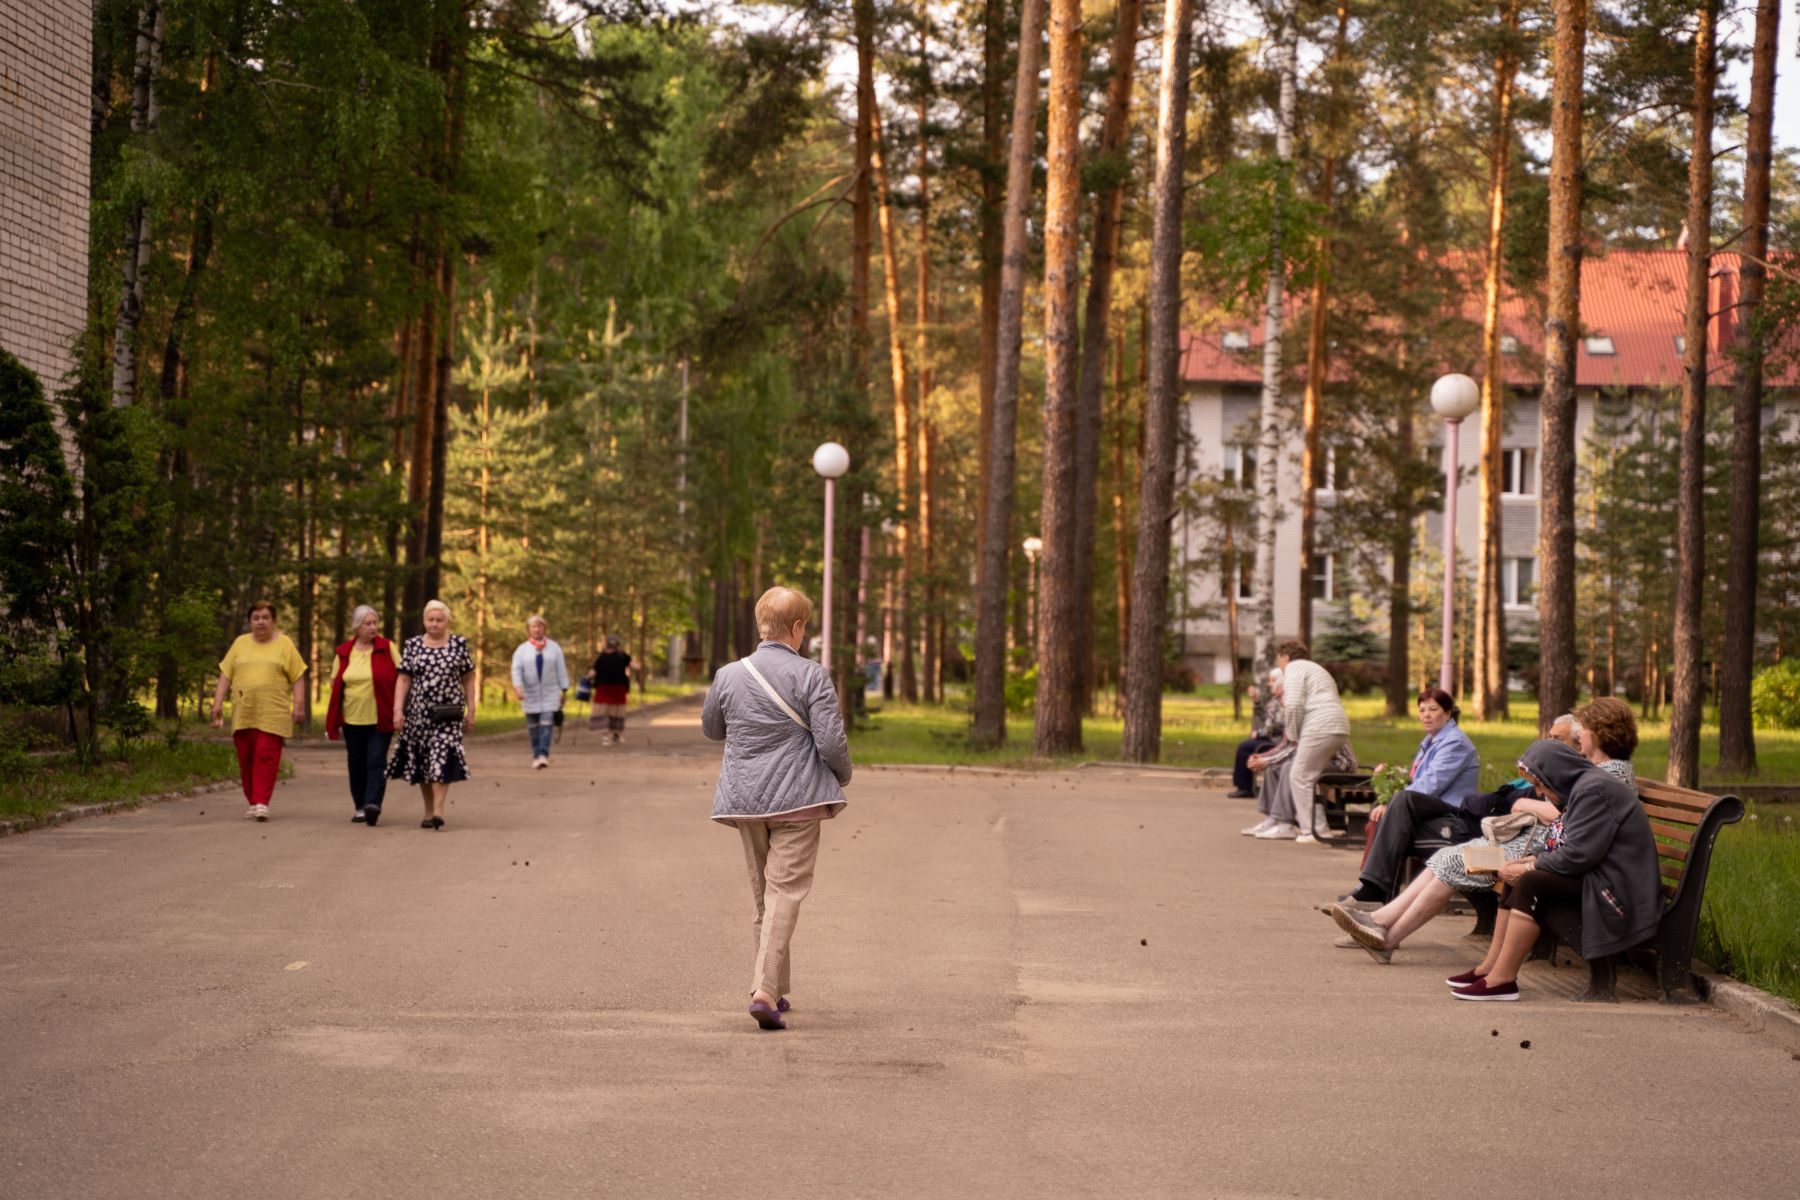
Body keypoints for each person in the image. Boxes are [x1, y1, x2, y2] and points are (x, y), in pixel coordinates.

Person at [1331, 708, 1641, 962]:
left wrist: (1529, 810)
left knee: (1456, 861)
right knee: (1448, 855)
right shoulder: (1599, 770)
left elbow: (1571, 823)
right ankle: (1381, 923)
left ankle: (1385, 935)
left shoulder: (1608, 776)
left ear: (1599, 734)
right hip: (1539, 845)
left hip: (1547, 854)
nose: (1579, 735)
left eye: (1583, 730)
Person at [701, 586, 851, 1032]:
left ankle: (777, 989)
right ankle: (764, 991)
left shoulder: (728, 674)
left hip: (745, 800)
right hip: (799, 800)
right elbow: (830, 743)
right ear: (797, 627)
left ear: (760, 624)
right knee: (785, 891)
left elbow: (712, 728)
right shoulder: (812, 675)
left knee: (765, 894)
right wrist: (841, 776)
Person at [1445, 737, 1660, 1001]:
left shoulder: (1593, 791)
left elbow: (1577, 856)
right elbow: (1564, 845)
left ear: (1556, 775)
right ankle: (1491, 968)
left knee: (1530, 882)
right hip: (1599, 875)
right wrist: (1529, 860)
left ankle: (1502, 980)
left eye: (1539, 785)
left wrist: (1530, 866)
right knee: (1518, 877)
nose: (1538, 793)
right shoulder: (1580, 788)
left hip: (1619, 892)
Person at [1338, 686, 1480, 901]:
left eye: (1433, 709)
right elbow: (1420, 776)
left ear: (1448, 712)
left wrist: (1392, 802)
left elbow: (1432, 784)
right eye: (1422, 710)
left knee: (1401, 801)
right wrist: (1393, 773)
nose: (1426, 715)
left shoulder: (1456, 742)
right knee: (1382, 816)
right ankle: (1374, 889)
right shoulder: (1431, 741)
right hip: (1431, 806)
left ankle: (1374, 889)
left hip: (1453, 811)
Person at [1244, 642, 1351, 844]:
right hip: (1336, 724)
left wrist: (1292, 734)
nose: (1279, 664)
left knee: (1300, 775)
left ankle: (1315, 831)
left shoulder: (1294, 668)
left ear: (1285, 657)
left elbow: (1293, 703)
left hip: (1320, 725)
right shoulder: (1315, 669)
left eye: (1278, 659)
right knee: (1301, 773)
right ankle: (1303, 826)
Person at [211, 600, 308, 822]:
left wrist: (299, 705)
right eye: (256, 618)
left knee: (266, 756)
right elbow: (226, 674)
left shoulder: (284, 644)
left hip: (273, 713)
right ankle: (254, 801)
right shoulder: (240, 643)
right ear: (250, 622)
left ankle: (262, 802)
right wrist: (217, 704)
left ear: (273, 621)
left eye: (265, 618)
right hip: (244, 713)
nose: (261, 622)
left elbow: (297, 676)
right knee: (246, 759)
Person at [388, 599, 476, 830]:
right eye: (430, 620)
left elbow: (468, 678)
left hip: (448, 713)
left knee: (442, 755)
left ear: (447, 622)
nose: (434, 624)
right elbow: (403, 679)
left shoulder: (458, 644)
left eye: (439, 620)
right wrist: (398, 709)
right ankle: (429, 812)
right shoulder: (413, 645)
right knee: (423, 761)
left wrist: (472, 709)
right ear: (424, 621)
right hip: (419, 714)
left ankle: (438, 809)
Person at [324, 604, 401, 825]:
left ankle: (372, 804)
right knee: (356, 763)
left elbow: (403, 676)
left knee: (376, 761)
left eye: (375, 623)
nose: (373, 627)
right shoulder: (344, 651)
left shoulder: (387, 647)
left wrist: (399, 709)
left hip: (380, 717)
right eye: (368, 623)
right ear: (357, 627)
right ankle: (360, 806)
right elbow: (335, 683)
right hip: (352, 719)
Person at [511, 615, 569, 769]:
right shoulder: (522, 650)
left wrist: (564, 689)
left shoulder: (554, 648)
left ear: (545, 628)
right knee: (533, 728)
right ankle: (536, 754)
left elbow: (561, 669)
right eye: (534, 627)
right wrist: (518, 687)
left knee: (546, 724)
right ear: (529, 629)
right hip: (529, 694)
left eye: (540, 626)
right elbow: (516, 670)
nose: (537, 629)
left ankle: (543, 754)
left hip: (550, 693)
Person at [1229, 674, 1284, 799]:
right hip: (1270, 737)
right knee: (1245, 746)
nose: (1269, 684)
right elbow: (1266, 718)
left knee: (1245, 748)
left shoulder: (1283, 700)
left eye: (1272, 681)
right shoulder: (1275, 699)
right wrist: (1256, 700)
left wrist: (1259, 733)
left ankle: (1245, 788)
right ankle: (1245, 786)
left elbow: (1278, 726)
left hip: (1277, 741)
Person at [588, 635, 632, 744]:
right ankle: (616, 735)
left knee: (603, 711)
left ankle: (605, 736)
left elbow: (593, 672)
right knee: (617, 711)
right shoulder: (622, 656)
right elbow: (634, 666)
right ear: (618, 645)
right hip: (618, 688)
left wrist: (587, 678)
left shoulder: (602, 657)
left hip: (604, 688)